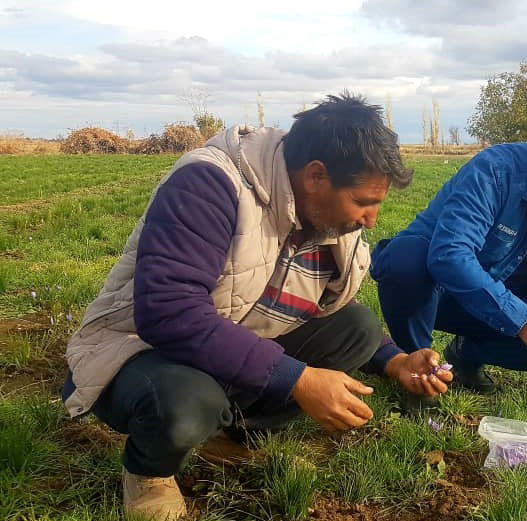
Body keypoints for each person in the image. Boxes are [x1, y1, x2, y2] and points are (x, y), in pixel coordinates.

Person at [60, 93, 451, 521]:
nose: (372, 219)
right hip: (138, 351)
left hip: (234, 342)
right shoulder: (210, 184)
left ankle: (234, 435)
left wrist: (395, 361)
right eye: (363, 202)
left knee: (355, 326)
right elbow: (169, 313)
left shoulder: (324, 216)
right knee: (186, 405)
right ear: (317, 176)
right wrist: (299, 379)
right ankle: (149, 473)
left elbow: (326, 308)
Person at [370, 113, 527, 398]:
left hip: (501, 305)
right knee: (406, 259)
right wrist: (522, 321)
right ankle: (416, 371)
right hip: (436, 293)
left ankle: (464, 355)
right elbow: (450, 254)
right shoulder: (496, 172)